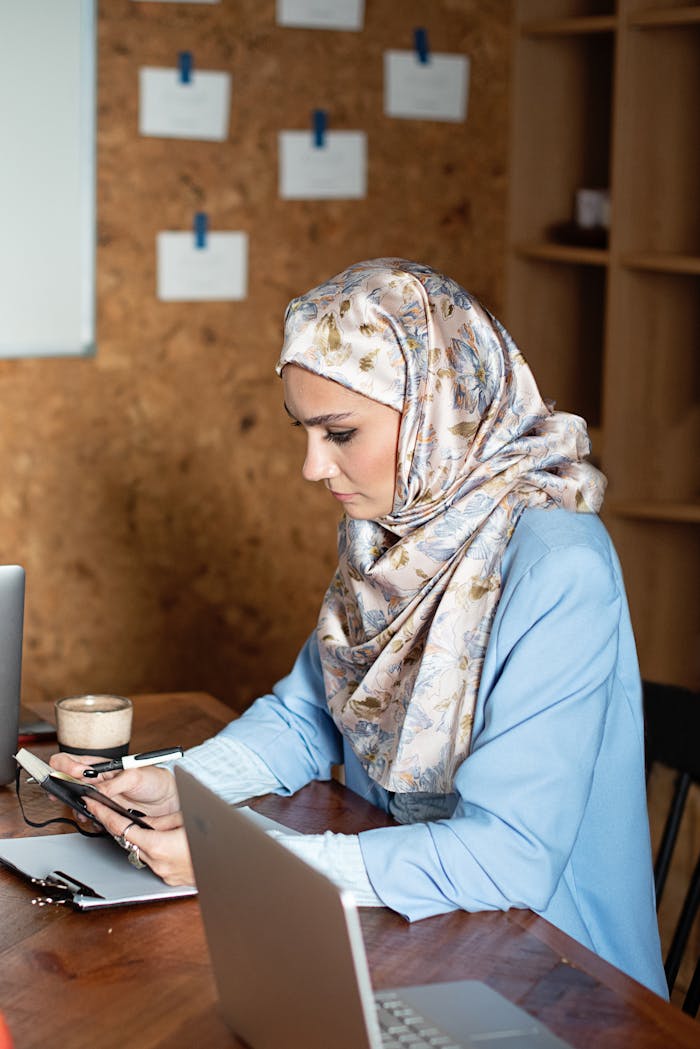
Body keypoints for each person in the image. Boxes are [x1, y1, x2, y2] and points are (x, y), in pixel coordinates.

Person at [52, 258, 667, 998]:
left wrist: (249, 862)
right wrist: (185, 787)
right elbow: (309, 715)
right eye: (305, 431)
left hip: (556, 973)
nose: (313, 467)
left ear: (438, 408)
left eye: (340, 433)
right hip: (413, 931)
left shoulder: (561, 566)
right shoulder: (391, 528)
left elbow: (509, 857)